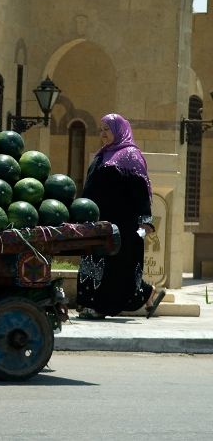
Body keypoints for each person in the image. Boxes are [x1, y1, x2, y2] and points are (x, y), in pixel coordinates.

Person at [76, 113, 166, 320]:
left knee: (118, 266)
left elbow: (141, 191)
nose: (102, 134)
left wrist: (145, 222)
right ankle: (93, 302)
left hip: (123, 224)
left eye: (107, 129)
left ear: (119, 130)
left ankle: (103, 307)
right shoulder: (102, 155)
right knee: (93, 260)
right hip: (98, 222)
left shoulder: (130, 156)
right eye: (101, 129)